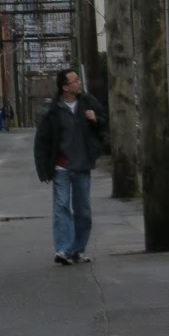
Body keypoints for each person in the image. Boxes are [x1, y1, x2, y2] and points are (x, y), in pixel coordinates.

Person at [33, 69, 106, 265]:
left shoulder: (88, 103)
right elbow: (42, 142)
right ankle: (63, 249)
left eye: (78, 79)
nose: (79, 83)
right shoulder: (54, 111)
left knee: (83, 211)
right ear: (65, 87)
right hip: (61, 168)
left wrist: (95, 119)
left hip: (82, 166)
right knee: (61, 207)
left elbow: (104, 123)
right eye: (75, 80)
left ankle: (77, 250)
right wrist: (43, 170)